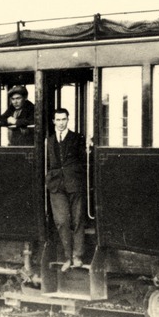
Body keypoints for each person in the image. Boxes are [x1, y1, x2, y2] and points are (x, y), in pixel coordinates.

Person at [46, 108, 87, 271]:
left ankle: (77, 256)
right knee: (62, 221)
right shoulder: (49, 141)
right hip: (56, 184)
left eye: (64, 119)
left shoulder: (77, 138)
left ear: (68, 120)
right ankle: (67, 257)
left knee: (77, 219)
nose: (61, 123)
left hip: (74, 183)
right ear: (53, 121)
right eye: (58, 119)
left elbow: (83, 160)